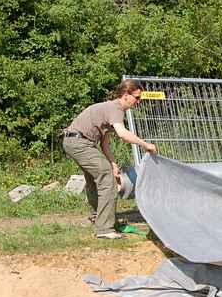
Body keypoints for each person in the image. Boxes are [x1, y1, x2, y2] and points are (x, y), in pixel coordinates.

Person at [62, 79, 157, 239]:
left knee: (95, 178)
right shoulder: (115, 108)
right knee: (106, 178)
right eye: (137, 97)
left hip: (77, 142)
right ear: (126, 95)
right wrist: (145, 144)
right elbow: (123, 134)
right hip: (78, 142)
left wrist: (113, 164)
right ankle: (105, 229)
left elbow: (105, 144)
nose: (138, 102)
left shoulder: (111, 109)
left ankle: (97, 217)